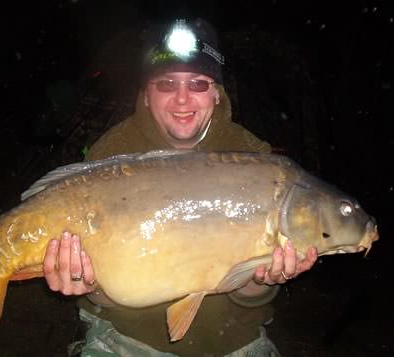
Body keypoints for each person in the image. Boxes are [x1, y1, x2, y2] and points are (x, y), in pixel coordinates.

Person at [42, 18, 318, 356]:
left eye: (198, 84)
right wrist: (87, 286)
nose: (183, 100)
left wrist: (262, 280)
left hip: (233, 343)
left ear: (217, 93)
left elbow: (248, 296)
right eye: (166, 83)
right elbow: (100, 299)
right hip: (129, 337)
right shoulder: (111, 154)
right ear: (145, 96)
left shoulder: (256, 160)